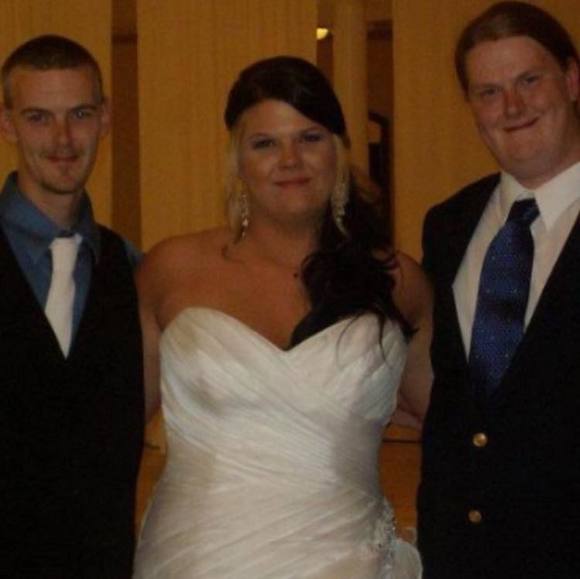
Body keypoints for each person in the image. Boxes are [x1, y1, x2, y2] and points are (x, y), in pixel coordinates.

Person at [134, 56, 432, 578]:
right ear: (237, 162)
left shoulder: (396, 281)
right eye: (265, 144)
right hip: (195, 560)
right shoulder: (171, 270)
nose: (290, 160)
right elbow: (104, 434)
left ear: (338, 150)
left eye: (309, 138)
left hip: (347, 561)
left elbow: (462, 429)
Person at [419, 2, 580, 577]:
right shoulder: (448, 224)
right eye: (489, 92)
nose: (512, 107)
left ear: (572, 80)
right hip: (459, 558)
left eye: (529, 81)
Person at [0, 35, 144, 578]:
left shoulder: (132, 272)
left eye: (79, 114)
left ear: (105, 118)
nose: (63, 139)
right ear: (7, 124)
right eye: (39, 118)